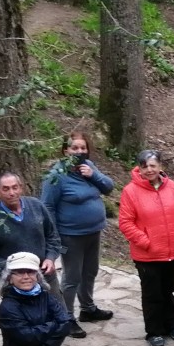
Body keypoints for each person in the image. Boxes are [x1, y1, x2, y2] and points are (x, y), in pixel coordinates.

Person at [118, 149, 174, 346]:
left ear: (160, 166)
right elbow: (125, 223)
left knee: (168, 290)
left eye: (153, 165)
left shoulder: (171, 186)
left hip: (172, 250)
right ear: (139, 169)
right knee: (152, 294)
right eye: (145, 166)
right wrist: (145, 241)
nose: (149, 170)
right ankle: (154, 331)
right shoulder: (130, 191)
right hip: (147, 254)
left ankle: (171, 325)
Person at [0, 173, 74, 331]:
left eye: (15, 187)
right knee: (24, 324)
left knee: (58, 314)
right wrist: (13, 268)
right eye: (6, 189)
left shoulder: (36, 206)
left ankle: (58, 339)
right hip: (15, 282)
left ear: (21, 188)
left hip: (44, 274)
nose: (11, 193)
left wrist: (50, 258)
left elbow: (52, 236)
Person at [40, 131, 115, 329]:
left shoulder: (88, 167)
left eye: (83, 148)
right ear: (66, 151)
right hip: (70, 236)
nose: (79, 151)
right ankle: (67, 317)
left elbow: (109, 187)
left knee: (90, 272)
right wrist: (53, 235)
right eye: (75, 148)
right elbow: (47, 206)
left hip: (94, 232)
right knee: (72, 277)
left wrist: (93, 175)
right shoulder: (56, 176)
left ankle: (87, 309)